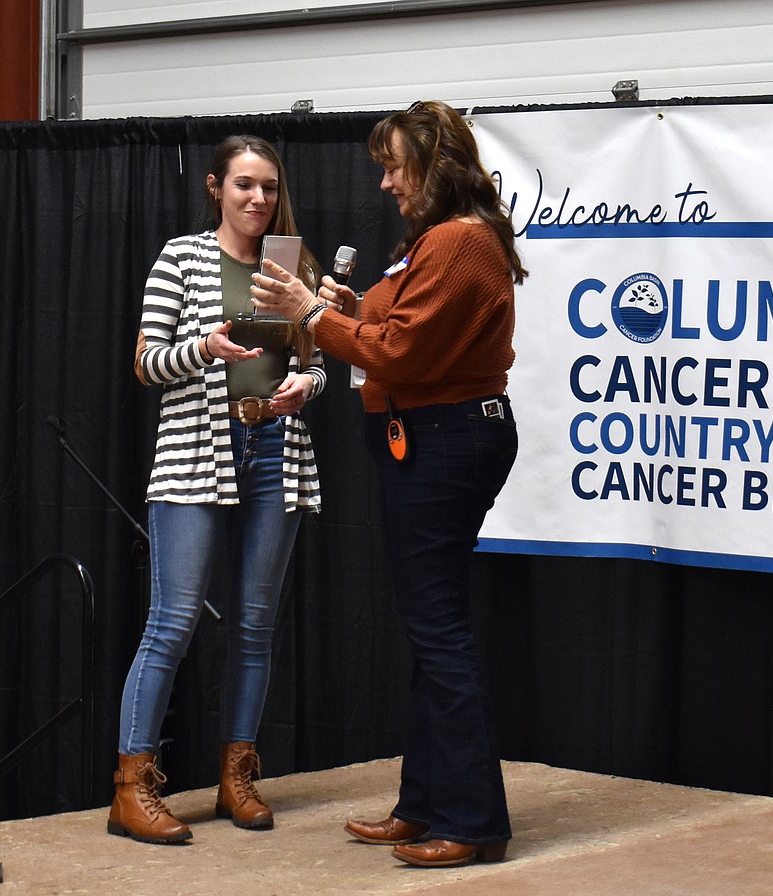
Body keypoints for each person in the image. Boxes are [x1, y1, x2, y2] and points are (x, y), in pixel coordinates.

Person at [252, 100, 526, 868]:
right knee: (428, 628)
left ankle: (472, 820)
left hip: (444, 442)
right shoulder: (436, 244)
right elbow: (387, 318)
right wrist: (339, 306)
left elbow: (398, 353)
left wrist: (312, 313)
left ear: (436, 166)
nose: (384, 183)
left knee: (438, 631)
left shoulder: (459, 244)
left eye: (393, 166)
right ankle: (426, 804)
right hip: (431, 442)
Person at [109, 134, 341, 844]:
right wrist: (205, 348)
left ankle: (236, 777)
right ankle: (131, 786)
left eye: (268, 187)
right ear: (216, 187)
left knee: (255, 626)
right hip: (194, 451)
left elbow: (323, 358)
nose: (258, 199)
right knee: (172, 622)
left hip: (274, 448)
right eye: (244, 185)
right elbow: (147, 365)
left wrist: (309, 382)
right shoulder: (181, 258)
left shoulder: (292, 263)